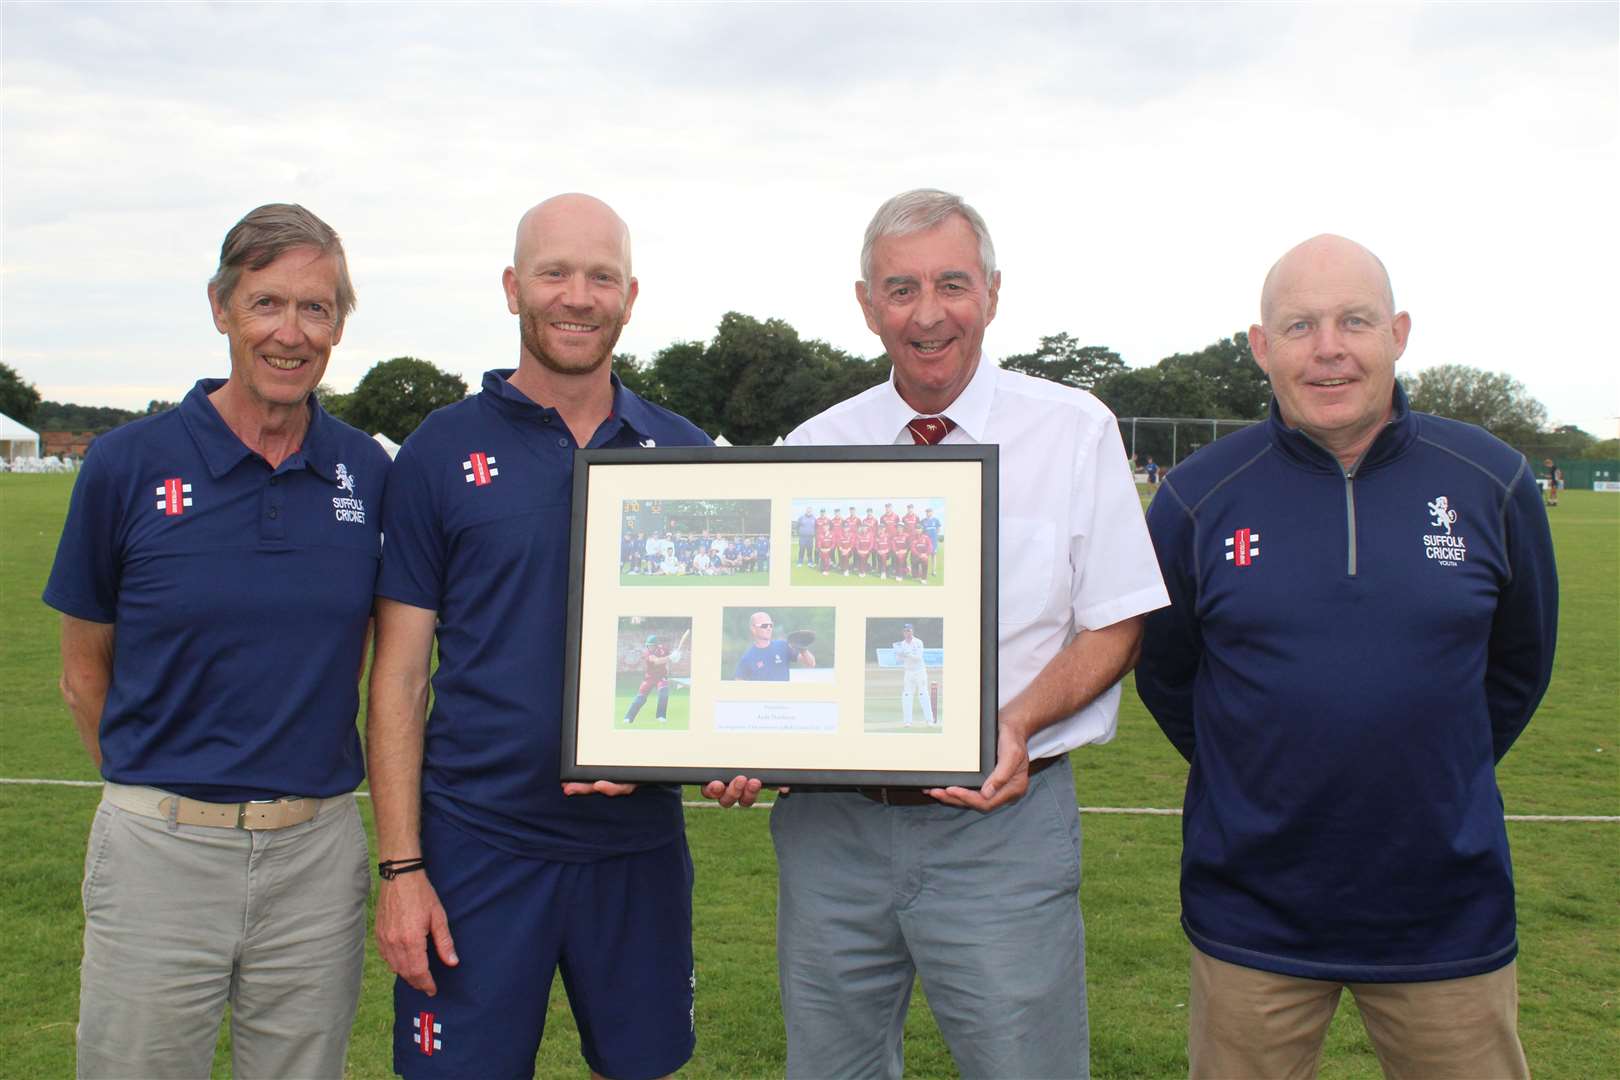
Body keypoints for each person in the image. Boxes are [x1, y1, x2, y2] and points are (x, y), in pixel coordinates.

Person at [704, 188, 1167, 1079]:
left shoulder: (1074, 430)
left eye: (952, 284)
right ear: (867, 303)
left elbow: (1118, 623)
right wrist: (738, 734)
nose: (928, 314)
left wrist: (1016, 723)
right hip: (831, 834)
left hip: (1004, 828)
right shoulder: (811, 447)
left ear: (992, 291)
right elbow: (783, 631)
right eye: (901, 288)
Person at [1136, 234, 1558, 1080]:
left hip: (1446, 909)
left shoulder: (1492, 481)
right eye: (1300, 326)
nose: (1328, 348)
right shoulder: (1196, 496)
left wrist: (1431, 764)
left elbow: (1517, 669)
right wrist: (1255, 770)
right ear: (1262, 347)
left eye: (1354, 321)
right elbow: (1167, 672)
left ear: (1397, 333)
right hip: (1252, 913)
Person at [367, 194, 711, 1080]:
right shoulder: (440, 452)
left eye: (601, 276)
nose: (577, 296)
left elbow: (710, 659)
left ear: (631, 296)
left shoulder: (684, 450)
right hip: (477, 846)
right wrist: (402, 869)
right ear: (514, 286)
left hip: (635, 850)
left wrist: (729, 746)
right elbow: (400, 680)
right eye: (555, 272)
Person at [43, 203, 386, 1078]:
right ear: (221, 307)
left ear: (339, 324)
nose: (290, 333)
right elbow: (85, 676)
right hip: (159, 849)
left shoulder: (370, 474)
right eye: (267, 303)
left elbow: (388, 661)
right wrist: (165, 801)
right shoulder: (125, 463)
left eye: (315, 309)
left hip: (316, 856)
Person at [732, 610, 816, 680]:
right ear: (753, 629)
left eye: (770, 625)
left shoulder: (783, 646)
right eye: (764, 625)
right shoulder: (747, 658)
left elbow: (811, 664)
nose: (769, 628)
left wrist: (803, 650)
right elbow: (738, 684)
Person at [891, 623, 935, 727]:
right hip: (908, 672)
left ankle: (929, 720)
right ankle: (907, 721)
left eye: (909, 630)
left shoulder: (918, 642)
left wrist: (907, 653)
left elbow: (918, 657)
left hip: (920, 671)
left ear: (912, 631)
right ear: (903, 632)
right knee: (907, 695)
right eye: (906, 631)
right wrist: (899, 654)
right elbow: (899, 660)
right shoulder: (901, 644)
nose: (907, 633)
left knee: (923, 693)